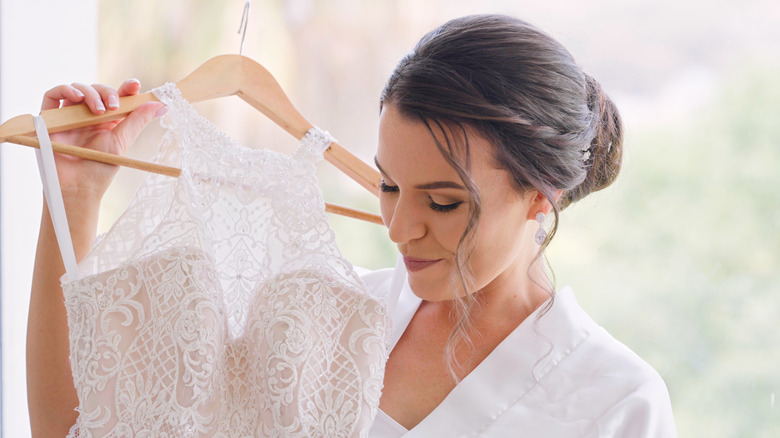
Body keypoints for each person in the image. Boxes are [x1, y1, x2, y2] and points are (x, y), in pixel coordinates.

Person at [27, 14, 676, 438]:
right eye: (388, 185)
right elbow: (73, 426)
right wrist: (74, 198)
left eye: (443, 203)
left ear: (541, 197)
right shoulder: (317, 316)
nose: (398, 228)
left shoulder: (617, 402)